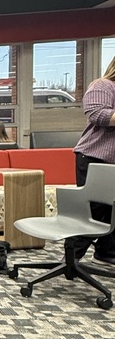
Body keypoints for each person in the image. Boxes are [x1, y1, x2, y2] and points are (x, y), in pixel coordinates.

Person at [73, 56, 115, 263]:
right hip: (96, 157)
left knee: (113, 212)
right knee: (93, 211)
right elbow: (98, 115)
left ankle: (106, 253)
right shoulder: (103, 85)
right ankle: (71, 258)